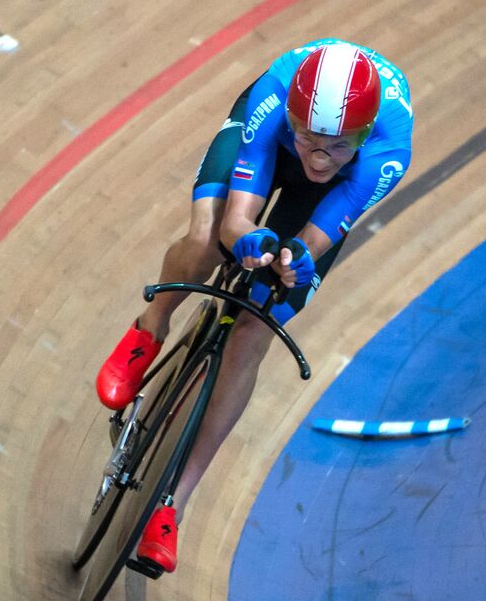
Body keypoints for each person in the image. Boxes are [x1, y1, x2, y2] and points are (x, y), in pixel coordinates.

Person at [96, 38, 413, 572]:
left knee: (258, 323)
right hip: (267, 146)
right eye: (310, 138)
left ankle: (172, 506)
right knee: (204, 242)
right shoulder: (274, 103)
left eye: (335, 146)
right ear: (293, 114)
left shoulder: (385, 152)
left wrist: (292, 262)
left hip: (333, 193)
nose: (317, 156)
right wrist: (245, 238)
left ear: (361, 137)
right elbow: (236, 222)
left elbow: (310, 242)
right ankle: (149, 328)